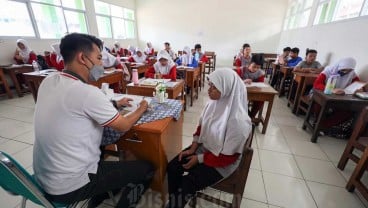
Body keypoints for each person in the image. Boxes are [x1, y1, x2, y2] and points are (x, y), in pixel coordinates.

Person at [33, 33, 154, 208]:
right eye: (98, 58)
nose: (101, 64)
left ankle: (99, 195)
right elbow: (123, 125)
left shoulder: (49, 81)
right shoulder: (87, 92)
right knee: (147, 168)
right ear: (82, 58)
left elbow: (73, 106)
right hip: (70, 185)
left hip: (44, 178)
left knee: (105, 156)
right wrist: (142, 108)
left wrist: (114, 103)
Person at [166, 69, 252, 208]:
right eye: (210, 84)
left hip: (223, 163)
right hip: (206, 148)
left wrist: (198, 159)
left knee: (188, 182)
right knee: (173, 167)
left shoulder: (238, 121)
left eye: (214, 87)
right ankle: (175, 201)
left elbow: (228, 158)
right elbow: (202, 127)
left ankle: (175, 203)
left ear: (226, 89)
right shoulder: (213, 104)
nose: (209, 90)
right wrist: (194, 147)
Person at [312, 57, 360, 138]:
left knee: (349, 110)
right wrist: (332, 90)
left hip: (338, 98)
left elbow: (357, 83)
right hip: (322, 93)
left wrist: (358, 89)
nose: (345, 72)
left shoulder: (352, 74)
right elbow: (317, 84)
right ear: (339, 66)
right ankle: (320, 124)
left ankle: (322, 126)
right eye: (344, 70)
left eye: (349, 71)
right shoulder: (328, 71)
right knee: (319, 103)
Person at [242, 54, 266, 119]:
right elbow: (235, 81)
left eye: (258, 67)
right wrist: (244, 81)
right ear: (250, 64)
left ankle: (251, 117)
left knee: (261, 99)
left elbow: (260, 84)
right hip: (241, 91)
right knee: (239, 100)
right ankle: (242, 114)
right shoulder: (242, 70)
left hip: (253, 92)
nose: (255, 69)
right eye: (254, 66)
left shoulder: (260, 73)